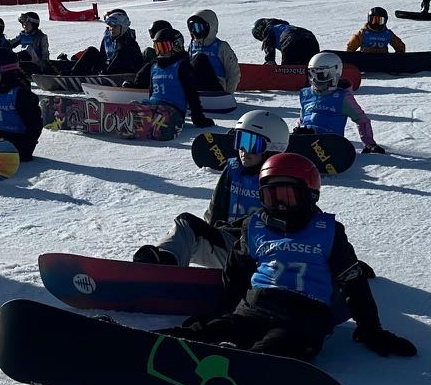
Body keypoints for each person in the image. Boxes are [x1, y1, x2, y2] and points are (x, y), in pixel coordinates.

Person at [160, 153, 417, 361]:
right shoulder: (255, 226)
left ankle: (241, 377)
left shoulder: (327, 232)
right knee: (208, 332)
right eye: (271, 197)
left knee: (274, 349)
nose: (279, 205)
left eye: (287, 196)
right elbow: (237, 275)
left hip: (304, 317)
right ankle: (147, 346)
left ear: (309, 195)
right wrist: (226, 315)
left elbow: (354, 283)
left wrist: (371, 330)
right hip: (255, 309)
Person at [134, 110, 289, 268]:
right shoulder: (233, 170)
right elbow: (216, 209)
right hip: (230, 244)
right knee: (186, 225)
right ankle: (163, 263)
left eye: (252, 143)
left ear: (273, 147)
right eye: (239, 140)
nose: (243, 150)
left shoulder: (280, 181)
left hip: (260, 253)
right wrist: (211, 232)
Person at [125, 25, 213, 128]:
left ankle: (139, 122)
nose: (161, 52)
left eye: (164, 48)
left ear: (176, 46)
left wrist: (198, 118)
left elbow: (191, 94)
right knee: (133, 104)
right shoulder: (154, 65)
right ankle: (131, 120)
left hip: (173, 110)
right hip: (154, 106)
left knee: (154, 113)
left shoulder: (182, 66)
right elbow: (149, 88)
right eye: (158, 48)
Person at [299, 52, 383, 153]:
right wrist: (298, 129)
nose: (315, 79)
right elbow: (302, 118)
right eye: (312, 74)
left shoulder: (343, 98)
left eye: (321, 75)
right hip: (305, 138)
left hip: (330, 141)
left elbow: (362, 120)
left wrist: (369, 144)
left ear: (334, 74)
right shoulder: (306, 94)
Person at [67, 9, 141, 76]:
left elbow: (137, 62)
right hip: (107, 68)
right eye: (110, 26)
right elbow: (103, 55)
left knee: (121, 51)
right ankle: (73, 74)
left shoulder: (129, 41)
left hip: (124, 71)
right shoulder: (108, 37)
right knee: (91, 50)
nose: (111, 29)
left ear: (123, 27)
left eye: (115, 26)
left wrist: (106, 72)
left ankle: (105, 76)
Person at [184, 8, 241, 94]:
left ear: (209, 27)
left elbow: (233, 73)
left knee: (200, 59)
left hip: (216, 87)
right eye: (192, 28)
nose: (194, 31)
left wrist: (228, 95)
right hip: (196, 87)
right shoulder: (192, 46)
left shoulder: (221, 47)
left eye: (198, 27)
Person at [252, 17, 320, 67]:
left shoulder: (269, 29)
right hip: (309, 37)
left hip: (291, 39)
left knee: (287, 70)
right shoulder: (283, 26)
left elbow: (268, 45)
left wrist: (270, 61)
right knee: (310, 66)